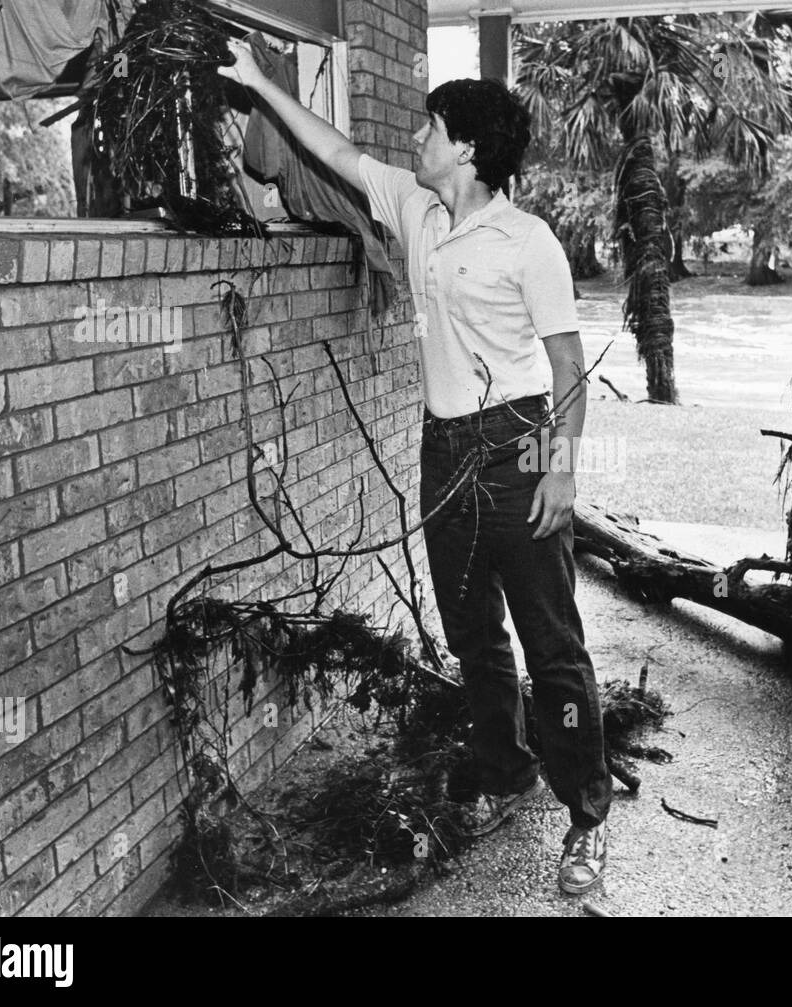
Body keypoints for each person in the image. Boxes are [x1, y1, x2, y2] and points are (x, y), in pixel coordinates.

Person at [218, 40, 611, 895]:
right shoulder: (415, 209)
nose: (416, 135)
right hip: (444, 450)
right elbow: (332, 149)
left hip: (516, 447)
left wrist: (561, 470)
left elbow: (570, 366)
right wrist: (257, 85)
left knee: (551, 641)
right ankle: (505, 772)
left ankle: (586, 814)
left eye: (431, 126)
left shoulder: (528, 241)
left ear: (467, 148)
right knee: (472, 630)